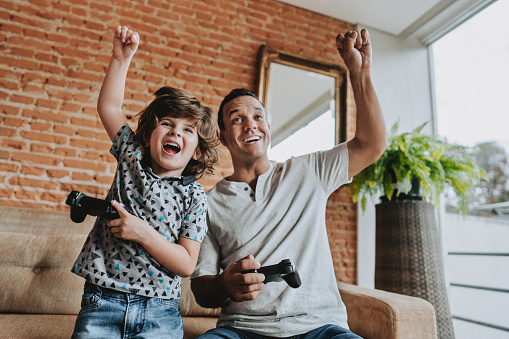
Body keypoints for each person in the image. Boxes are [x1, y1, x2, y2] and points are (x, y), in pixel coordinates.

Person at [190, 28, 387, 338]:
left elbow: (371, 144)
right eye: (237, 118)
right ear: (224, 137)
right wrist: (224, 283)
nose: (250, 124)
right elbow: (201, 288)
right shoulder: (208, 202)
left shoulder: (309, 170)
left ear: (268, 127)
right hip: (242, 330)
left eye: (257, 116)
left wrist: (360, 72)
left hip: (319, 327)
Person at [70, 26, 219, 338]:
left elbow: (187, 263)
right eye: (167, 124)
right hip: (102, 300)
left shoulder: (195, 195)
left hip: (160, 311)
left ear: (198, 150)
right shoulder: (131, 157)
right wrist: (120, 59)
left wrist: (143, 233)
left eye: (187, 130)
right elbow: (109, 107)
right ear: (150, 134)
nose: (175, 132)